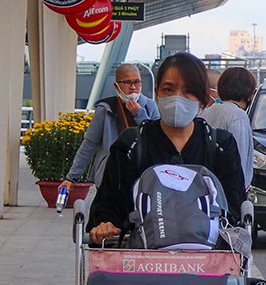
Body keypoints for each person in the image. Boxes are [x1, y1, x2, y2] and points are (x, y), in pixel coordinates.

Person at [87, 52, 245, 246]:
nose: (177, 99)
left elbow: (234, 208)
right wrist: (105, 224)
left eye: (188, 91)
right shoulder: (131, 145)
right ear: (157, 93)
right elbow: (108, 203)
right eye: (168, 89)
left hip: (207, 259)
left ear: (203, 98)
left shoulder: (220, 145)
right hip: (142, 259)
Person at [67, 64, 156, 183]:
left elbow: (156, 138)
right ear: (116, 86)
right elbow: (89, 144)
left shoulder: (150, 106)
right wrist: (72, 177)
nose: (133, 87)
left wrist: (139, 113)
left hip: (141, 175)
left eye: (137, 82)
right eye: (128, 82)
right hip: (110, 175)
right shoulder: (105, 108)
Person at [202, 65, 256, 188]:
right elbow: (239, 162)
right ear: (248, 92)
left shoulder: (207, 112)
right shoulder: (238, 116)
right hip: (229, 189)